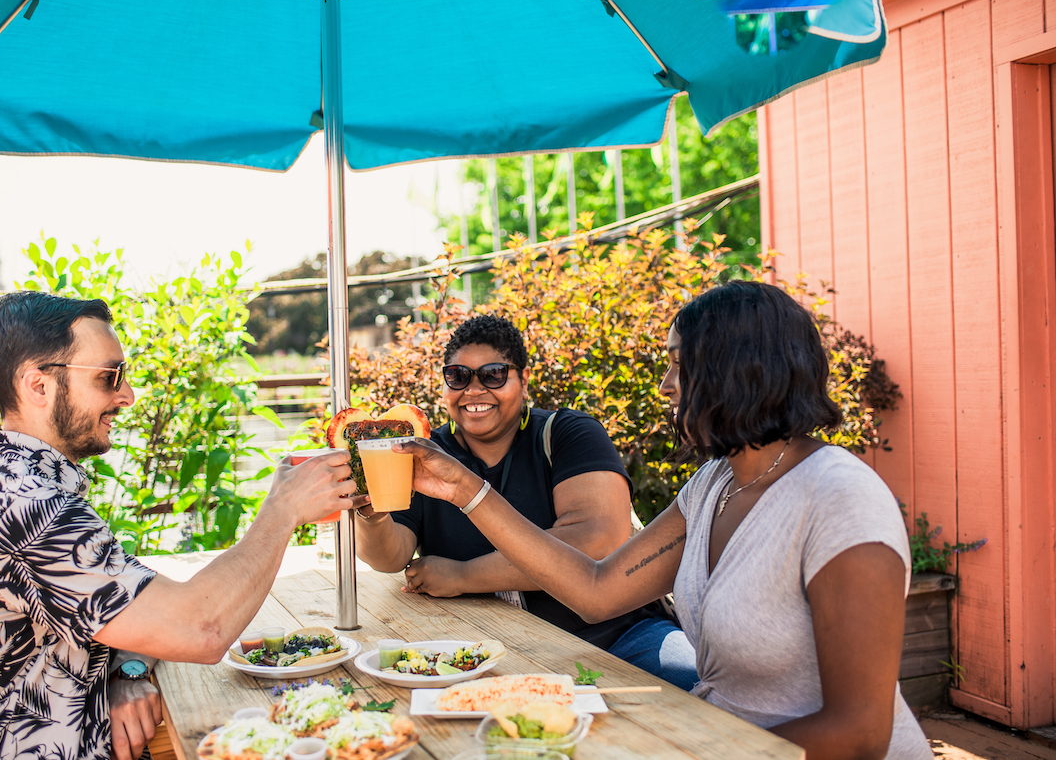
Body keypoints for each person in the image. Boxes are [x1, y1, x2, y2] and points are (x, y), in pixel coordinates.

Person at [396, 283, 931, 760]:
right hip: (712, 739)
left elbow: (860, 734)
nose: (665, 385)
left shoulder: (838, 497)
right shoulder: (715, 484)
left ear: (741, 368)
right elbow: (596, 590)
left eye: (679, 364)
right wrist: (465, 490)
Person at [0, 291, 354, 760]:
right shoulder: (26, 508)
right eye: (108, 377)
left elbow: (133, 600)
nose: (126, 395)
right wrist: (283, 509)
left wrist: (125, 670)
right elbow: (201, 628)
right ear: (38, 386)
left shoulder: (20, 484)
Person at [352, 314, 698, 690]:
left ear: (525, 379)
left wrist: (464, 576)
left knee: (698, 683)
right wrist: (372, 515)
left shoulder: (568, 434)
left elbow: (596, 542)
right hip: (486, 648)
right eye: (458, 376)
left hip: (617, 639)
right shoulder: (427, 453)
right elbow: (390, 558)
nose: (474, 390)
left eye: (493, 375)